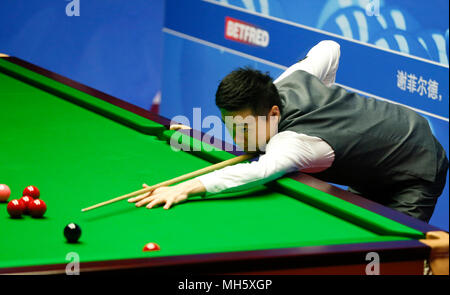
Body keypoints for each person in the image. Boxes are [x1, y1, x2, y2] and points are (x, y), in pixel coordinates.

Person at [129, 40, 448, 223]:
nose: (238, 141)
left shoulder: (293, 143)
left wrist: (187, 187)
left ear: (273, 113)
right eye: (231, 128)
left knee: (394, 257)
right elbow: (329, 48)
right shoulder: (290, 79)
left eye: (244, 130)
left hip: (416, 168)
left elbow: (254, 173)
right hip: (377, 159)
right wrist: (326, 92)